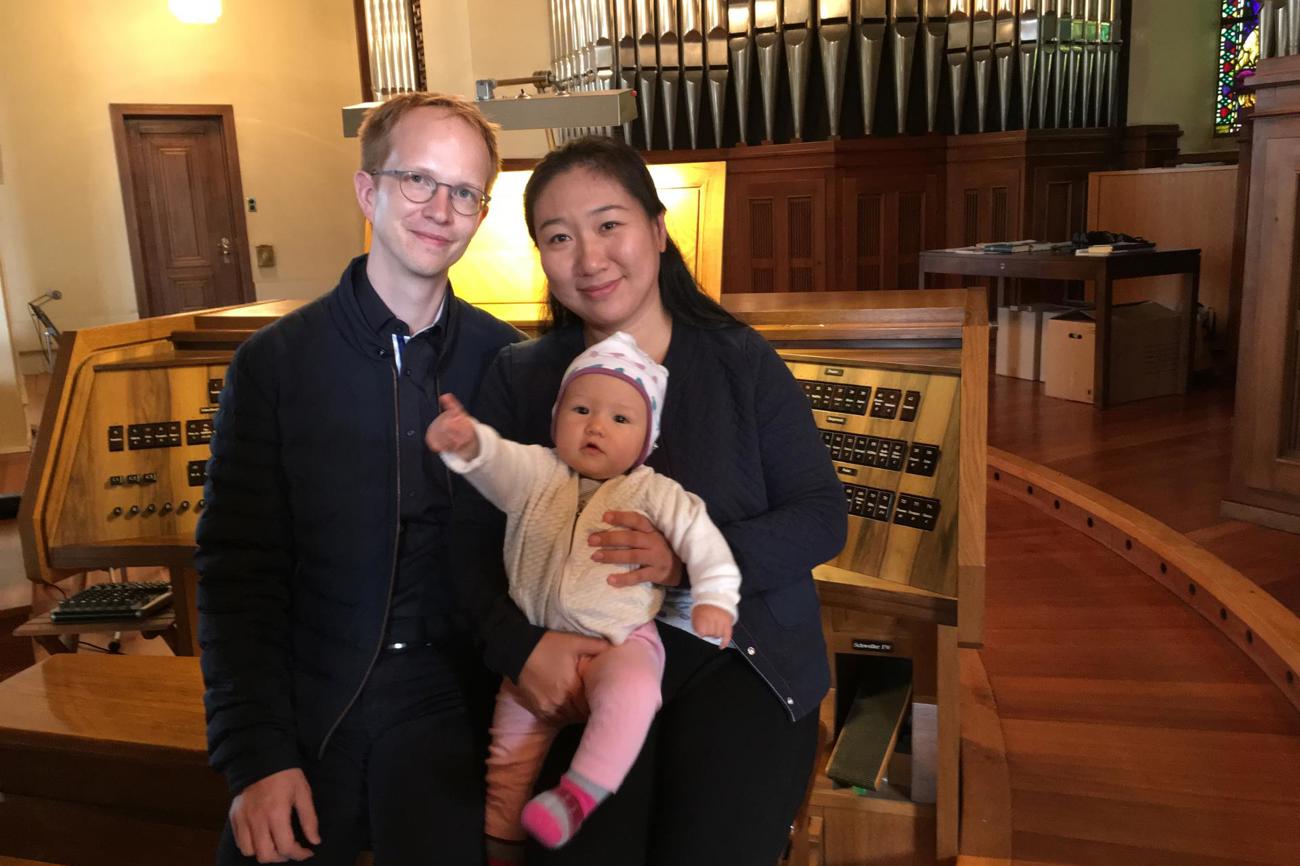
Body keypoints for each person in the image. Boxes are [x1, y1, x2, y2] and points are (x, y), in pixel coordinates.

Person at [452, 135, 847, 865]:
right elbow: (468, 542)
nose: (589, 259)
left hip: (739, 657)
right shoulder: (523, 376)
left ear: (658, 231)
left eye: (609, 225)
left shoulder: (740, 360)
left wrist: (687, 561)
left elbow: (821, 516)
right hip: (582, 660)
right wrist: (519, 647)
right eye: (559, 238)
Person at [195, 92, 522, 865]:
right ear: (367, 190)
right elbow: (239, 572)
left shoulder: (508, 364)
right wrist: (257, 756)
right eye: (419, 180)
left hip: (455, 700)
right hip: (318, 691)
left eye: (465, 191)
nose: (440, 209)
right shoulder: (274, 364)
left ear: (481, 214)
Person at [426, 331, 742, 860]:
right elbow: (498, 462)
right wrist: (470, 442)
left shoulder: (654, 491)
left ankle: (577, 796)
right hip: (536, 646)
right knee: (507, 761)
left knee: (634, 695)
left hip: (620, 642)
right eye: (580, 410)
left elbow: (703, 542)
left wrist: (716, 598)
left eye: (620, 418)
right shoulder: (537, 472)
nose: (596, 425)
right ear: (556, 419)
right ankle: (502, 846)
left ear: (646, 440)